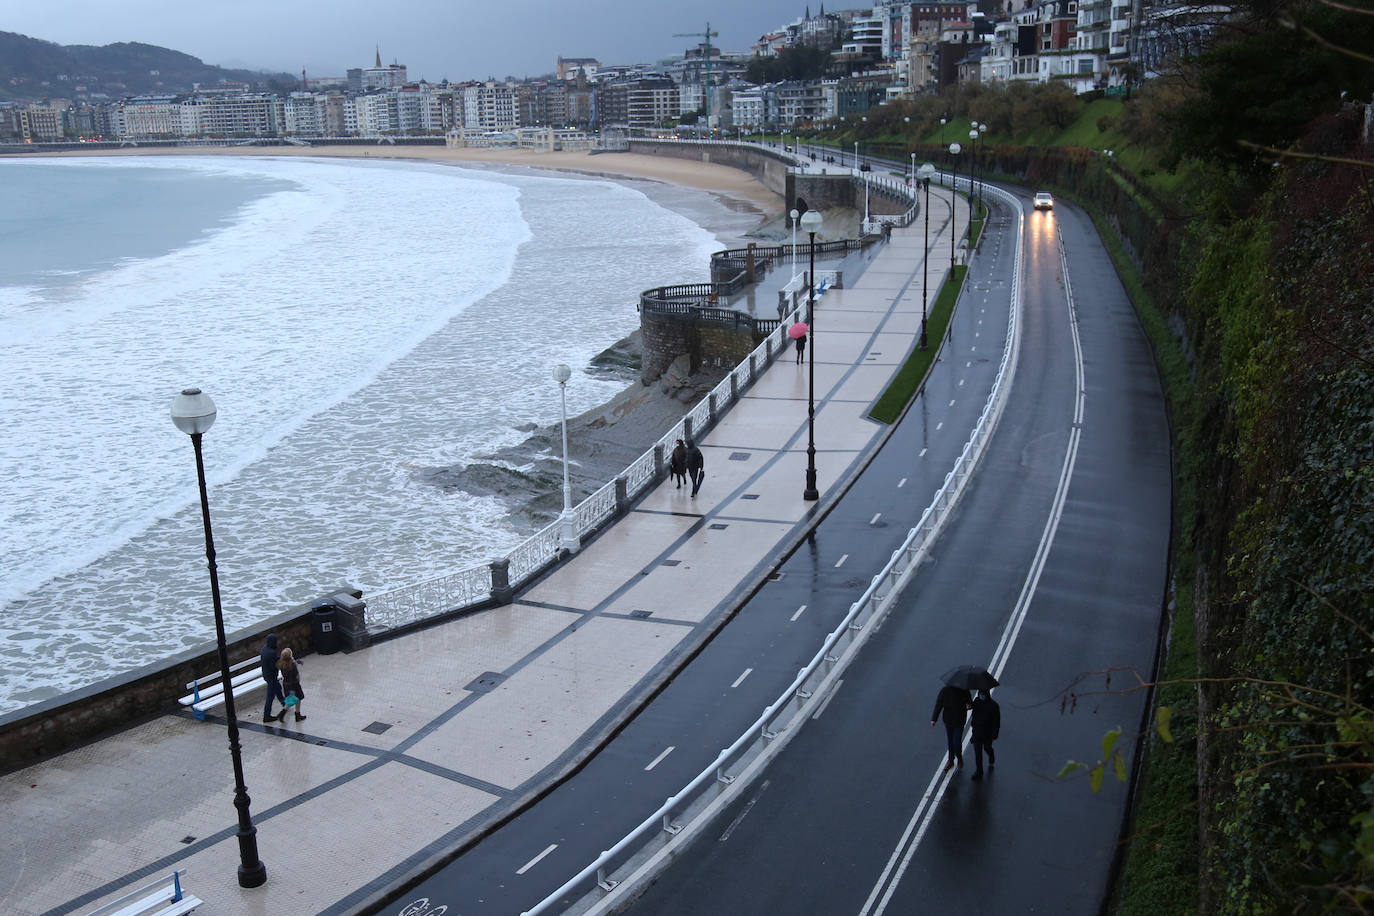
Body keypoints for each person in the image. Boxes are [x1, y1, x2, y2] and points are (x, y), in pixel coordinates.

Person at [930, 684, 972, 770]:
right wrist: (934, 718)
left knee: (956, 742)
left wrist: (969, 706)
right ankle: (951, 760)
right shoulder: (945, 691)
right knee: (950, 741)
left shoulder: (964, 691)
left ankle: (959, 757)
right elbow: (939, 704)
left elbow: (970, 703)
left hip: (959, 721)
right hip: (948, 721)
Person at [970, 688, 1000, 780]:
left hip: (988, 733)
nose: (981, 696)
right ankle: (979, 771)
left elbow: (996, 721)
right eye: (980, 694)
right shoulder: (977, 702)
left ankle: (991, 754)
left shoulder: (994, 706)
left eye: (983, 694)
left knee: (987, 747)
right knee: (977, 753)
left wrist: (995, 733)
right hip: (977, 732)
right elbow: (974, 715)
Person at [260, 633, 286, 723]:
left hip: (266, 675)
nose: (277, 643)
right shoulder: (271, 652)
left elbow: (273, 659)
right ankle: (266, 716)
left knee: (278, 688)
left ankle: (284, 704)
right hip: (271, 677)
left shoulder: (264, 649)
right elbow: (274, 666)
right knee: (270, 697)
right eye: (276, 641)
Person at [277, 646, 307, 722]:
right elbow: (296, 675)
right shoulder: (292, 665)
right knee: (294, 699)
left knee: (294, 699)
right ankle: (283, 714)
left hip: (287, 685)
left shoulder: (282, 664)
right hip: (294, 685)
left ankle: (297, 714)